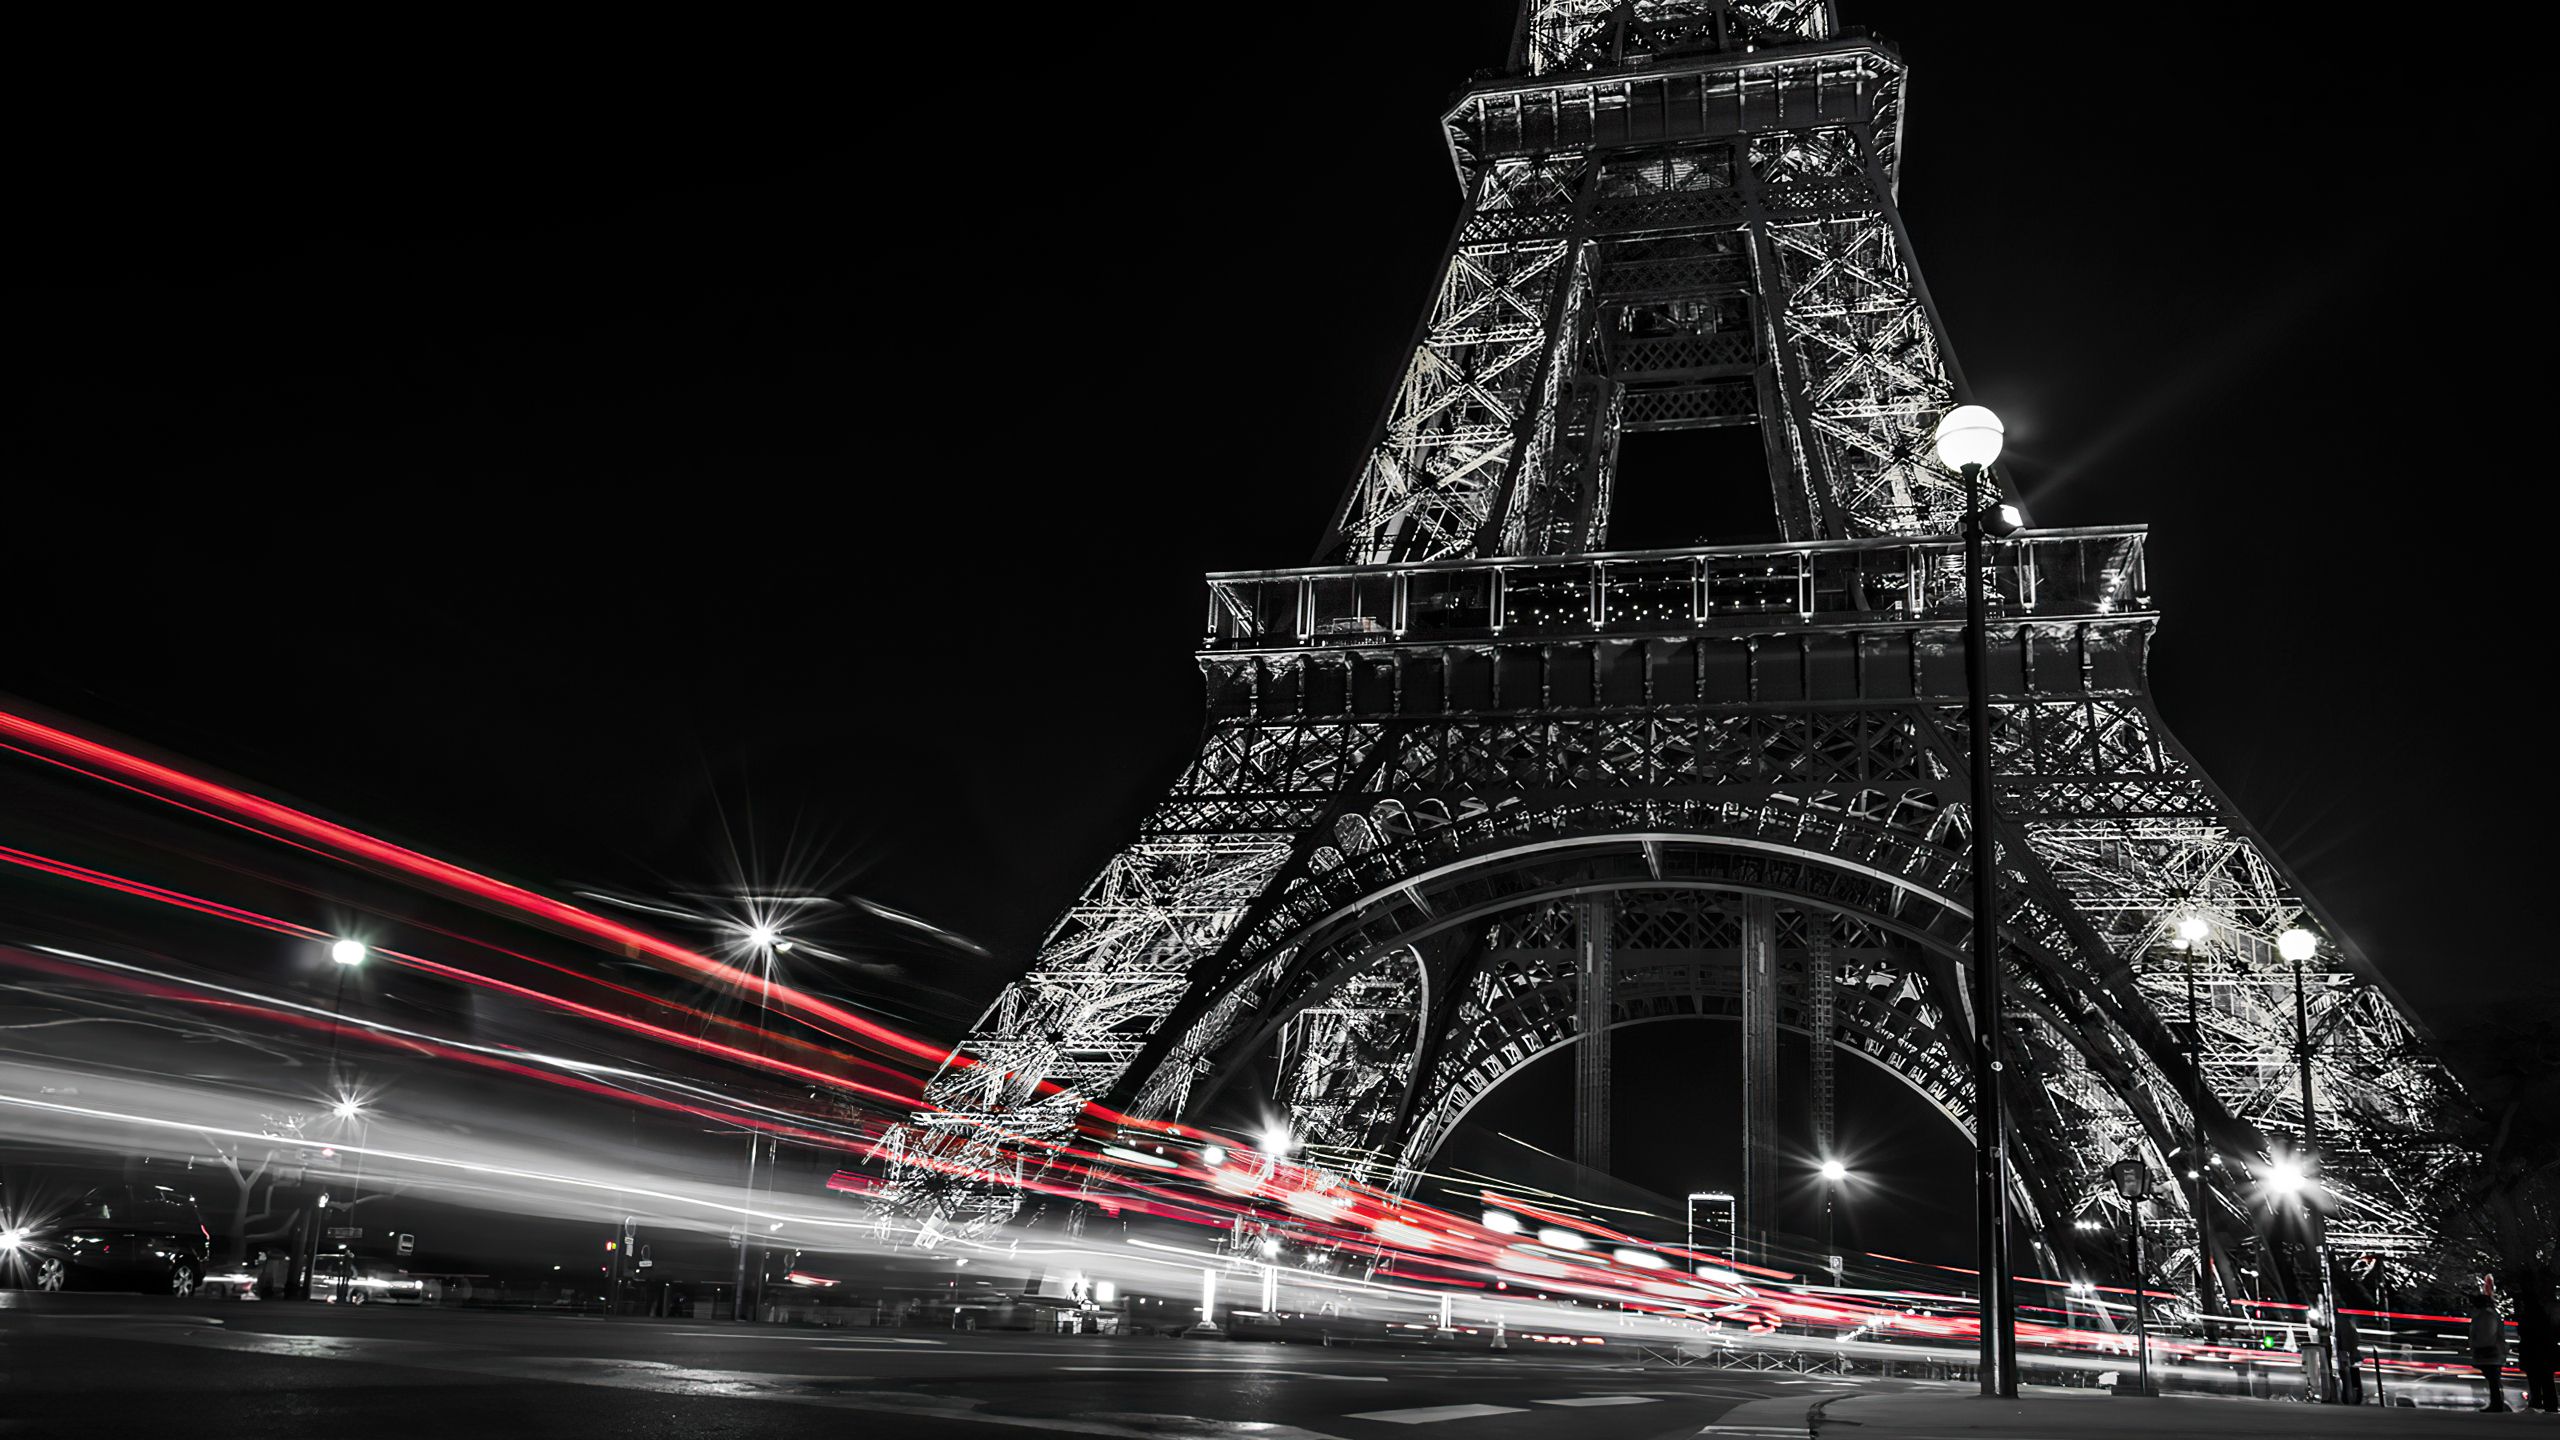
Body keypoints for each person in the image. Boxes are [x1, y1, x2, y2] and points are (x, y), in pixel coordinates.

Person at [2518, 1271, 2559, 1414]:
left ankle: (2537, 1403)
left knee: (2536, 1380)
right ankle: (2550, 1405)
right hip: (2545, 1353)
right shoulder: (2545, 1316)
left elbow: (2524, 1333)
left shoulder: (2530, 1316)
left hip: (2534, 1353)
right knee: (2547, 1381)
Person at [2471, 1293, 2513, 1412]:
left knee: (2493, 1379)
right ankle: (2496, 1403)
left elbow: (2487, 1334)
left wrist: (2479, 1346)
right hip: (2492, 1351)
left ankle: (2496, 1403)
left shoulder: (2486, 1315)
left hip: (2490, 1351)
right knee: (2493, 1379)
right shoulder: (2489, 1314)